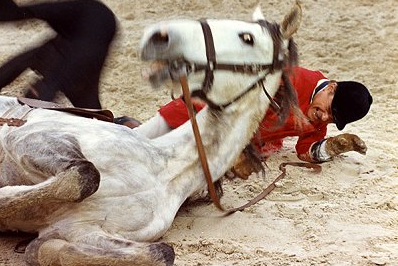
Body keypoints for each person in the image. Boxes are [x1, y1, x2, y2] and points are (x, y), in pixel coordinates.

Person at [132, 66, 373, 170]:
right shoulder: (287, 76)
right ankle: (127, 127)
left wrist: (332, 147)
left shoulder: (318, 117)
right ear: (330, 88)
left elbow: (305, 149)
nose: (324, 118)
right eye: (328, 109)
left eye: (332, 120)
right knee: (136, 141)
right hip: (198, 112)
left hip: (227, 146)